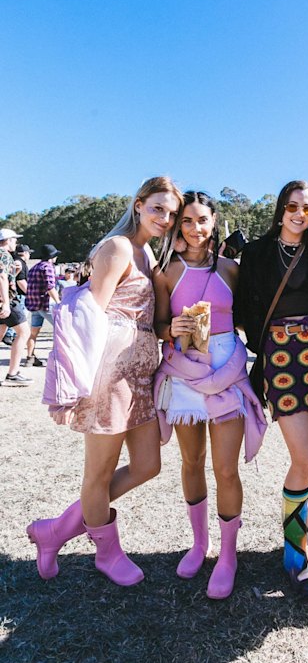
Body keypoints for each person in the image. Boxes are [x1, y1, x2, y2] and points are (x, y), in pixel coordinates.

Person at [27, 176, 182, 586]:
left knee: (148, 465)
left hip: (140, 377)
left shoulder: (147, 253)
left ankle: (56, 530)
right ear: (138, 205)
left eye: (171, 213)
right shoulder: (116, 248)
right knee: (98, 473)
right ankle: (107, 554)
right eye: (157, 209)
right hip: (109, 373)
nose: (165, 218)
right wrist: (78, 379)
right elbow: (90, 313)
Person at [236, 180, 308, 598]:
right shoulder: (257, 252)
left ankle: (306, 541)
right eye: (294, 206)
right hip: (281, 356)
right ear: (281, 208)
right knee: (302, 457)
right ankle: (294, 554)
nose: (301, 214)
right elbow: (245, 307)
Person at [153, 190, 266, 600]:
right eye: (187, 221)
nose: (195, 228)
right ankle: (199, 545)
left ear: (214, 222)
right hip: (185, 370)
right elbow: (159, 323)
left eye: (202, 220)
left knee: (226, 469)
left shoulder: (232, 270)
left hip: (227, 370)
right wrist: (172, 330)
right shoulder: (167, 272)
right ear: (178, 225)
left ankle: (228, 556)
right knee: (191, 461)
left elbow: (252, 315)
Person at [0, 228, 32, 386]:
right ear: (7, 240)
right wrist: (6, 302)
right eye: (14, 240)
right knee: (24, 332)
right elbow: (2, 277)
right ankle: (12, 374)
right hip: (7, 300)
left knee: (0, 333)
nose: (15, 243)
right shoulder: (4, 254)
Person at [24, 243, 61, 365]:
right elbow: (50, 287)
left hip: (33, 305)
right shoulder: (48, 267)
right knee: (60, 329)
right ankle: (56, 357)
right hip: (45, 304)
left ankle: (30, 357)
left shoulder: (34, 267)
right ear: (52, 257)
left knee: (33, 332)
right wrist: (58, 302)